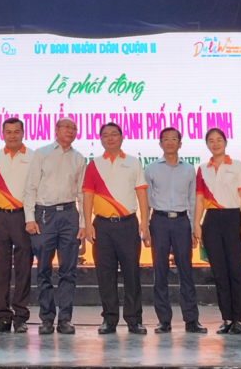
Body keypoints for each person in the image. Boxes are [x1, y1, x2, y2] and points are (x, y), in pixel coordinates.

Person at [82, 121, 149, 335]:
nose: (110, 138)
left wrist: (144, 222)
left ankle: (134, 320)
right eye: (105, 135)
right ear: (100, 139)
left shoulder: (133, 162)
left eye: (114, 134)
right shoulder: (94, 165)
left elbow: (141, 193)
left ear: (122, 137)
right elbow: (87, 196)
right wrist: (87, 224)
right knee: (105, 274)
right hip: (102, 226)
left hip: (128, 224)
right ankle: (109, 319)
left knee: (132, 273)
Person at [23, 117, 87, 335]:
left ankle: (65, 319)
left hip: (69, 215)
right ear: (56, 130)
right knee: (43, 269)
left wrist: (83, 223)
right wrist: (29, 218)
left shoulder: (79, 158)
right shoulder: (41, 153)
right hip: (44, 215)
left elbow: (82, 193)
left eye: (74, 128)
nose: (70, 131)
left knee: (68, 270)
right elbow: (30, 187)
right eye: (66, 127)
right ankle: (47, 318)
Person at [144, 127, 204, 334]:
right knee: (159, 271)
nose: (170, 142)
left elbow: (193, 199)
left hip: (181, 221)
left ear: (180, 143)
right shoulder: (151, 168)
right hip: (159, 221)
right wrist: (146, 226)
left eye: (174, 139)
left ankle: (191, 320)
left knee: (186, 270)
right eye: (166, 139)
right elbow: (146, 200)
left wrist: (194, 226)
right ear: (160, 143)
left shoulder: (188, 169)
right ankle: (164, 320)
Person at [195, 127, 241, 335]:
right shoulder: (203, 169)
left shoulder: (237, 166)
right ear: (207, 144)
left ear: (225, 142)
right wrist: (196, 224)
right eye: (211, 140)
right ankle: (226, 318)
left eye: (219, 139)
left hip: (233, 218)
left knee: (236, 270)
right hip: (211, 221)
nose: (215, 143)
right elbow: (199, 199)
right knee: (219, 272)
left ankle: (239, 320)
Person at [0, 117, 34, 333]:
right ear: (2, 134)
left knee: (23, 269)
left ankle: (21, 316)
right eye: (8, 132)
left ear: (23, 133)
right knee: (0, 269)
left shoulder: (33, 157)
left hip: (23, 216)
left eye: (16, 131)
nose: (12, 135)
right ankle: (3, 317)